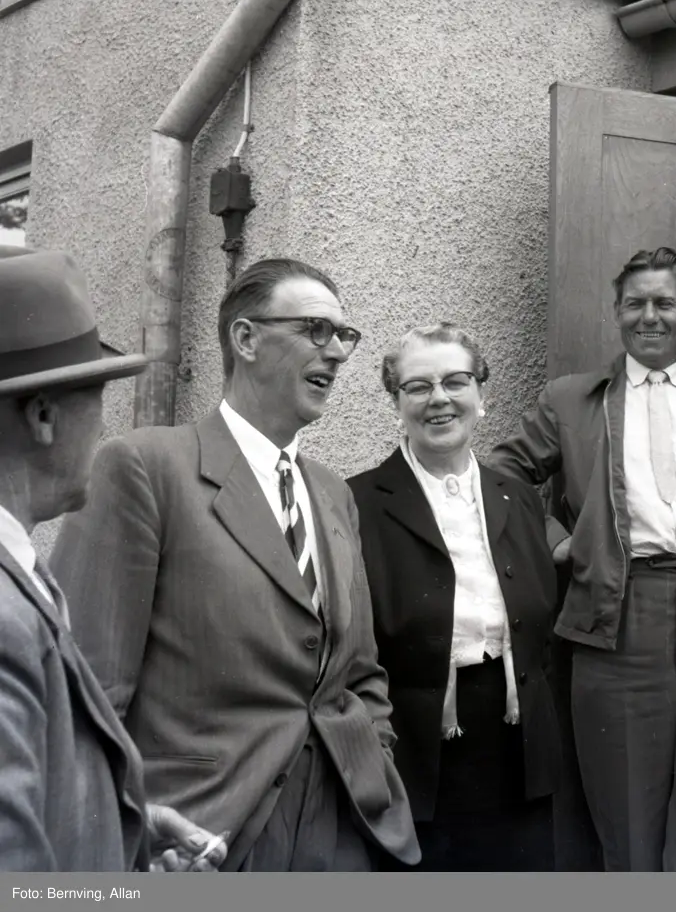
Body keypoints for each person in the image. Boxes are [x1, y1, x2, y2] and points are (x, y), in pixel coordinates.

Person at [51, 257, 419, 872]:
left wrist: (373, 762)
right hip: (202, 837)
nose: (335, 352)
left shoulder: (333, 493)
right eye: (315, 330)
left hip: (343, 830)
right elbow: (84, 691)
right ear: (245, 339)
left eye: (343, 335)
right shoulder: (146, 468)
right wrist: (118, 838)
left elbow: (359, 670)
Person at [488, 246, 676, 871]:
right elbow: (500, 476)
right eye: (634, 304)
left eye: (664, 303)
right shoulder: (571, 400)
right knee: (626, 831)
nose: (648, 316)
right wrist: (556, 540)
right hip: (616, 618)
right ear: (616, 312)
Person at [0, 247, 226, 872]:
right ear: (44, 415)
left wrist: (123, 831)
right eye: (97, 396)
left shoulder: (20, 573)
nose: (104, 427)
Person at [348, 323, 561, 871]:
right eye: (418, 386)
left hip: (517, 745)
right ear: (396, 403)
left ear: (480, 393)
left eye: (456, 381)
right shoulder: (356, 502)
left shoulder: (518, 498)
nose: (439, 398)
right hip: (411, 750)